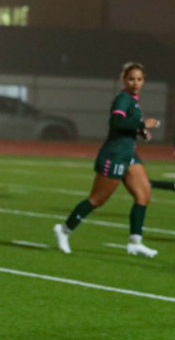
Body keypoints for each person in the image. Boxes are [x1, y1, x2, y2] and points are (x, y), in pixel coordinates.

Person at [54, 62, 161, 257]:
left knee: (143, 196)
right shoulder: (123, 98)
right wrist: (142, 124)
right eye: (131, 79)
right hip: (114, 155)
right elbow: (116, 122)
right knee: (97, 200)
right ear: (124, 80)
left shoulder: (133, 100)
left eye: (139, 79)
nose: (136, 83)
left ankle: (135, 243)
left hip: (129, 155)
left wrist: (141, 132)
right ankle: (64, 230)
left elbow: (128, 126)